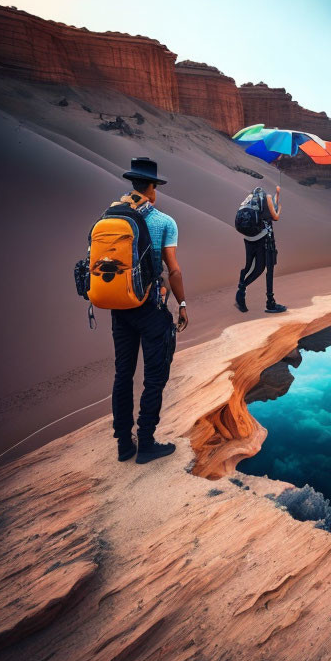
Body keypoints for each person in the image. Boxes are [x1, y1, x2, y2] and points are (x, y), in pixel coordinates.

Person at [112, 157, 189, 464]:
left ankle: (123, 444)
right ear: (153, 187)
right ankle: (145, 443)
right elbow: (174, 271)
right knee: (154, 377)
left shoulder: (113, 215)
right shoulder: (164, 222)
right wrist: (182, 303)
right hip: (150, 307)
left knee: (123, 374)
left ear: (133, 184)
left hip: (120, 305)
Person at [235, 185, 287, 314]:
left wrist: (278, 194)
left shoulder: (251, 199)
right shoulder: (267, 197)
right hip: (265, 239)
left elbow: (271, 204)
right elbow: (275, 216)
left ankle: (241, 290)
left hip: (250, 238)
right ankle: (270, 303)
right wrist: (279, 209)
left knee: (253, 267)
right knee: (268, 269)